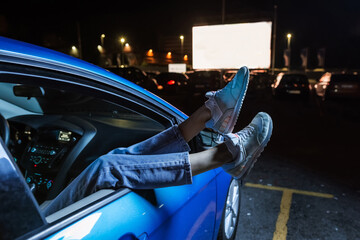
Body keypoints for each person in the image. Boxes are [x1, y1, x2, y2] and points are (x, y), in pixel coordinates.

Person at [42, 66, 273, 216]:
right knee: (106, 168)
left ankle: (210, 113)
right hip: (31, 229)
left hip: (33, 215)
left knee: (114, 158)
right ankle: (227, 155)